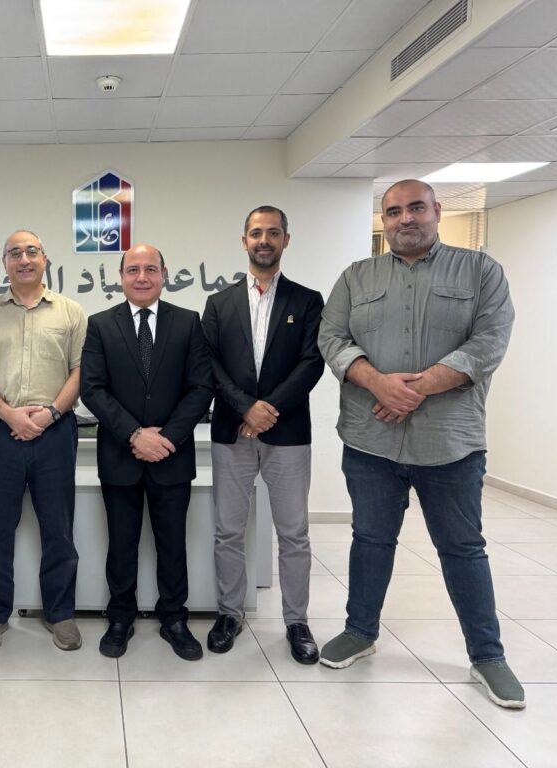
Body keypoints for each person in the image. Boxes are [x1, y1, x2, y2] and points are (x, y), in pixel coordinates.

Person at [317, 179, 523, 709]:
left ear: (436, 211)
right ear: (384, 220)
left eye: (415, 208)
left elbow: (489, 342)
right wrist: (378, 383)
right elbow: (332, 339)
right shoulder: (356, 277)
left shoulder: (480, 272)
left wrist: (414, 390)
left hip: (449, 443)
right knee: (370, 540)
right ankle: (360, 631)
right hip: (370, 440)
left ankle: (488, 656)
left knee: (462, 549)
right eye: (393, 211)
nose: (405, 218)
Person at [202, 206, 325, 663]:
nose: (264, 240)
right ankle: (229, 614)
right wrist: (245, 408)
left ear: (285, 240)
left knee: (294, 533)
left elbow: (311, 362)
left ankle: (297, 621)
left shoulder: (307, 301)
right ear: (244, 241)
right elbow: (209, 364)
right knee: (228, 531)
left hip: (287, 431)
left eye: (273, 233)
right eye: (256, 233)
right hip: (231, 431)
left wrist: (267, 410)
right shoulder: (219, 303)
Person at [80, 244, 213, 660]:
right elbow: (92, 389)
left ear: (164, 274)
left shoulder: (188, 322)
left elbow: (201, 387)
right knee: (121, 544)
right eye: (133, 269)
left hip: (172, 455)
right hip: (121, 455)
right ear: (121, 276)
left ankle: (174, 618)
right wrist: (135, 435)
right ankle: (120, 617)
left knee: (172, 544)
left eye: (150, 269)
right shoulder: (100, 325)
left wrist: (167, 438)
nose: (142, 277)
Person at [0, 230, 87, 653]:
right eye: (15, 252)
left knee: (59, 528)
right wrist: (9, 413)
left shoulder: (70, 312)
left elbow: (80, 372)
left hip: (55, 432)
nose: (24, 259)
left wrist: (50, 414)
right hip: (0, 431)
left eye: (32, 251)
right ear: (5, 263)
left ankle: (60, 612)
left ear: (45, 259)